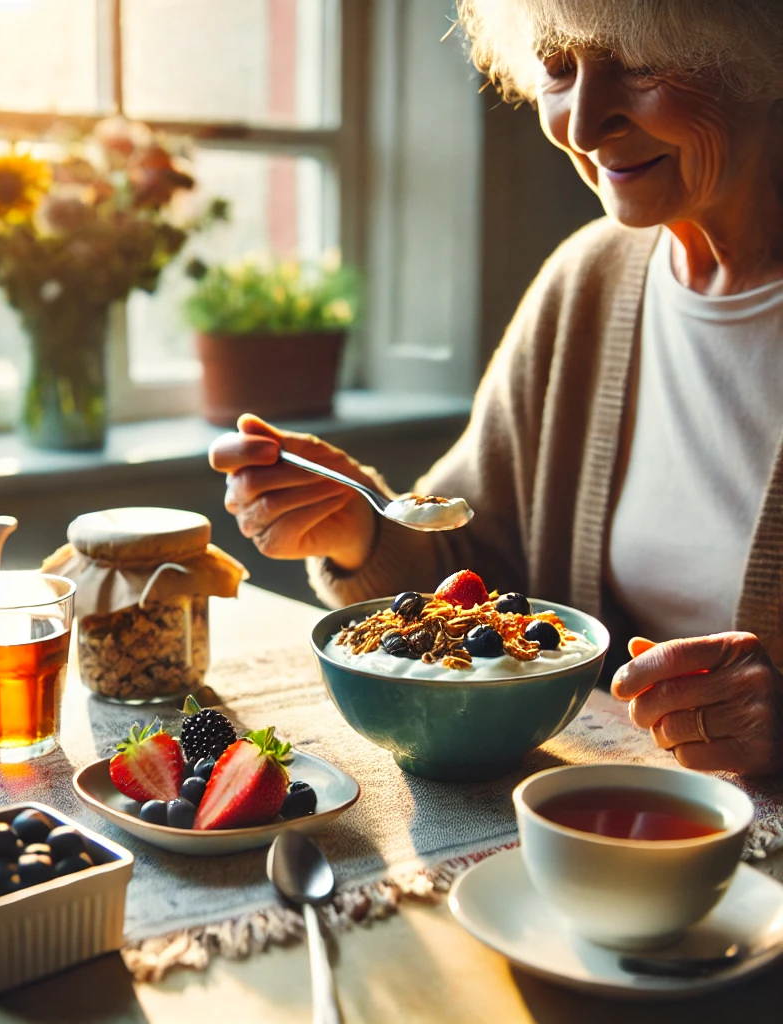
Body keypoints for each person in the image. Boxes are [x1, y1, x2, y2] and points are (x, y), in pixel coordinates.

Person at [209, 0, 783, 778]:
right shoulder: (587, 282)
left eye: (641, 65)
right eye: (556, 65)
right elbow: (477, 564)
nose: (582, 125)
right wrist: (359, 528)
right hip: (607, 818)